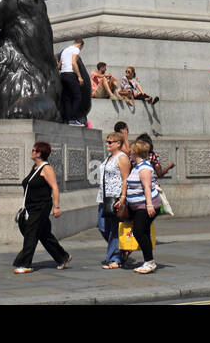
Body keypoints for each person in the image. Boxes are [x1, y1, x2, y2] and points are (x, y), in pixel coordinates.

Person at [13, 141, 71, 274]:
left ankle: (26, 264)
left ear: (40, 153)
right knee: (44, 234)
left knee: (31, 233)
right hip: (31, 206)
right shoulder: (35, 168)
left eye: (34, 150)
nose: (31, 152)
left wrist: (56, 207)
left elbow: (55, 188)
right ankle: (63, 256)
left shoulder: (46, 169)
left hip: (41, 206)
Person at [119, 139, 159, 273]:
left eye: (132, 151)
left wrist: (149, 205)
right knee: (144, 232)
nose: (129, 153)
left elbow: (147, 187)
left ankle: (150, 262)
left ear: (136, 152)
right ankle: (148, 261)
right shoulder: (137, 166)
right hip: (137, 206)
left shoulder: (144, 168)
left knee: (139, 232)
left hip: (145, 205)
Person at [96, 131, 130, 269]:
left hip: (115, 197)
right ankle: (121, 249)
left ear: (118, 143)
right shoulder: (109, 157)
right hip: (104, 197)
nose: (107, 144)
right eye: (107, 141)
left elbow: (126, 178)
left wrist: (123, 197)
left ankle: (114, 259)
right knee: (102, 226)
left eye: (110, 142)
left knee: (115, 228)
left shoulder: (122, 158)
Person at [58, 37, 88, 124]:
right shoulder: (76, 49)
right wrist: (79, 76)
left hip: (63, 75)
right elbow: (74, 62)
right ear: (80, 45)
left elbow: (59, 65)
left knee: (66, 98)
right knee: (77, 97)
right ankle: (73, 118)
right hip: (71, 74)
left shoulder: (65, 50)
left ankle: (67, 119)